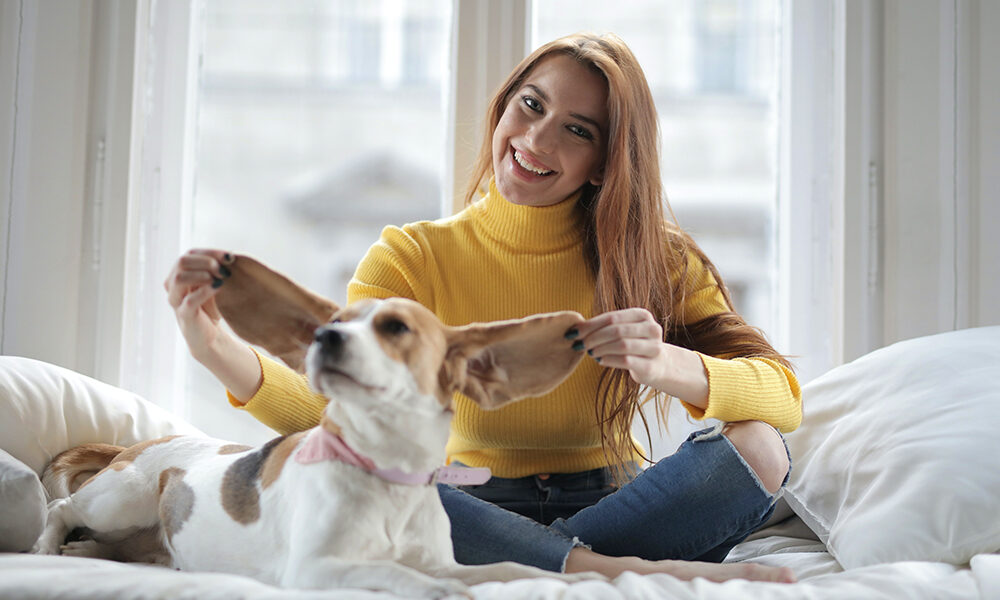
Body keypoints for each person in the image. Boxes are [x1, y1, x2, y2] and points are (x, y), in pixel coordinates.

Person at [165, 32, 800, 584]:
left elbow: (784, 399)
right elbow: (338, 413)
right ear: (504, 107)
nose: (536, 138)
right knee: (393, 482)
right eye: (531, 105)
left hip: (616, 502)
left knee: (759, 448)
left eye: (577, 131)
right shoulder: (410, 257)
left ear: (607, 162)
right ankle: (597, 572)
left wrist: (668, 365)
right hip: (462, 507)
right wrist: (214, 348)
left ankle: (549, 562)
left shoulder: (656, 259)